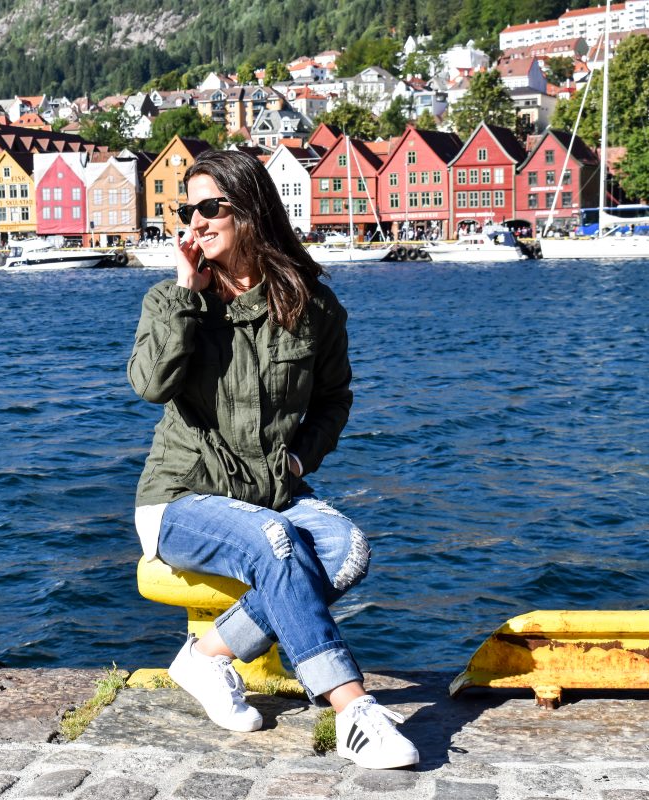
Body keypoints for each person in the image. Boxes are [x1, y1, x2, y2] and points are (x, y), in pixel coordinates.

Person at [127, 150, 419, 770]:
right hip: (179, 498)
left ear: (251, 211)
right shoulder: (170, 300)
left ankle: (206, 657)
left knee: (345, 550)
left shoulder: (311, 308)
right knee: (277, 542)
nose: (196, 221)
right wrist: (186, 293)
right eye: (188, 209)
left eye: (211, 207)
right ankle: (352, 709)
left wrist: (297, 461)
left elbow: (335, 399)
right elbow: (151, 385)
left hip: (270, 494)